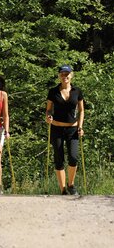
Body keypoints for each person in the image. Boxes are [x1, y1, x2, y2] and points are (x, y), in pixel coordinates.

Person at [46, 64, 84, 195]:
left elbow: (81, 110)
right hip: (56, 128)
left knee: (73, 157)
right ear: (59, 76)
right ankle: (62, 189)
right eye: (62, 74)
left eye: (67, 74)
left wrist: (80, 126)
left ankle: (71, 184)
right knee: (59, 158)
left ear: (71, 75)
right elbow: (48, 109)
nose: (65, 76)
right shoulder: (53, 91)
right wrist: (48, 116)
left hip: (72, 130)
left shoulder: (77, 91)